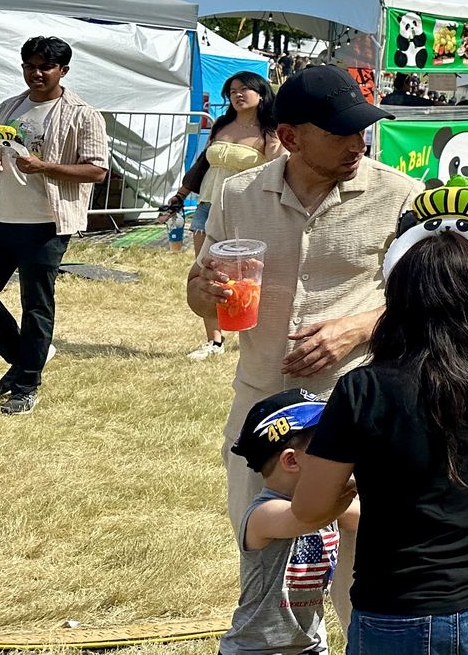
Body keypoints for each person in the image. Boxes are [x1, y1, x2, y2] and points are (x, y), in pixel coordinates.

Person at [184, 64, 416, 625]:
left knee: (367, 579)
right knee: (267, 570)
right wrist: (201, 292)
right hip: (263, 409)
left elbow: (428, 305)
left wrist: (358, 328)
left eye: (362, 128)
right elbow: (202, 292)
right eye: (340, 132)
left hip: (358, 408)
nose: (358, 142)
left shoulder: (400, 196)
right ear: (289, 138)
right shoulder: (239, 195)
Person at [291, 226, 468, 655]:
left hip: (400, 607)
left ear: (395, 302)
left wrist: (349, 486)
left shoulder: (362, 390)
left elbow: (309, 507)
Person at [0, 36, 109, 415]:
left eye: (45, 67)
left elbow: (97, 170)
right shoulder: (8, 108)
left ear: (62, 71)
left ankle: (25, 384)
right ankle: (26, 360)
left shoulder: (82, 114)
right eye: (30, 66)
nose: (36, 73)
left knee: (35, 303)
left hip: (45, 223)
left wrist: (45, 166)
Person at [221, 388, 358, 655]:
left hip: (310, 645)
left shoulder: (328, 508)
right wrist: (350, 481)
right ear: (291, 460)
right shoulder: (263, 514)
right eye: (329, 446)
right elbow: (305, 518)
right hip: (257, 649)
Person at [167, 71, 283, 361]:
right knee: (206, 271)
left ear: (261, 93)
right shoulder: (221, 125)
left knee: (249, 274)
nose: (238, 95)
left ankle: (251, 328)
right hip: (207, 206)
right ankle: (214, 339)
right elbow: (202, 164)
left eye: (245, 89)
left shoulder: (271, 131)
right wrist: (180, 195)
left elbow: (277, 171)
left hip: (247, 209)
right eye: (232, 91)